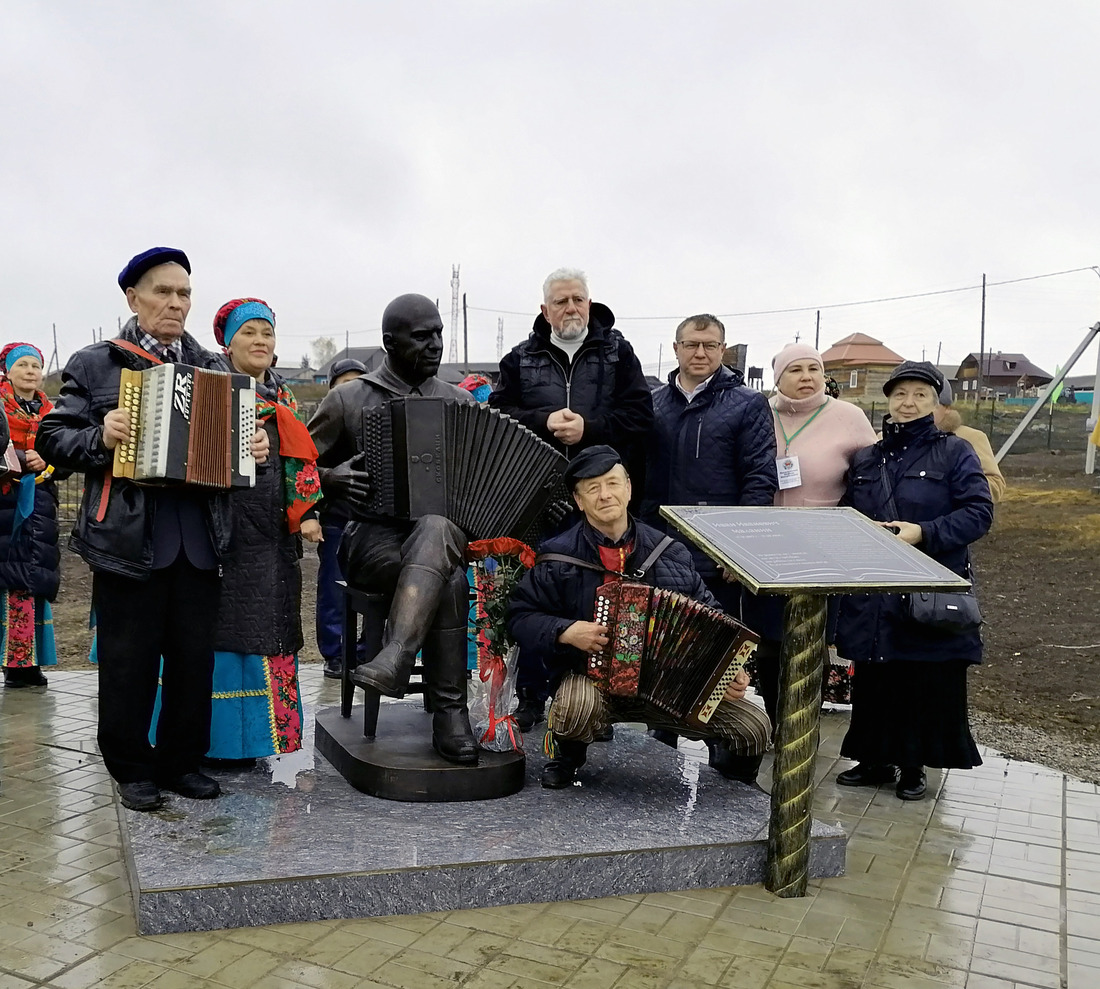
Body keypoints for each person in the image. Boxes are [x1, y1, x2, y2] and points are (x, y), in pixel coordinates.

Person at [36, 247, 269, 812]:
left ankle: (181, 761)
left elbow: (232, 451)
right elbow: (51, 438)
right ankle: (131, 767)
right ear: (133, 298)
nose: (175, 303)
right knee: (129, 662)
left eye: (184, 293)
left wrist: (253, 450)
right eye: (163, 292)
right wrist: (100, 436)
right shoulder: (97, 363)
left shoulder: (214, 368)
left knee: (193, 662)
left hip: (200, 539)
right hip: (128, 539)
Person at [508, 445, 772, 789]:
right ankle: (569, 757)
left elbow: (715, 617)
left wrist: (730, 670)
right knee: (573, 710)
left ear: (628, 488)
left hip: (675, 689)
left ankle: (738, 783)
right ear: (578, 500)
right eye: (593, 488)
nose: (605, 495)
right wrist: (566, 630)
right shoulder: (559, 556)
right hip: (591, 681)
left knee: (754, 726)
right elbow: (519, 616)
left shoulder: (670, 552)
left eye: (612, 483)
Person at [308, 294, 478, 764]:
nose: (435, 345)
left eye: (438, 334)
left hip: (438, 540)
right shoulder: (347, 399)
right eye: (422, 336)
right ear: (389, 342)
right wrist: (328, 478)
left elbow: (477, 478)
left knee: (443, 546)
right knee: (449, 576)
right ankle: (450, 718)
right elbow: (295, 468)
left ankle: (396, 658)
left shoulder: (458, 401)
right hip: (371, 541)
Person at [489, 269, 654, 732]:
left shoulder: (618, 353)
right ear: (545, 310)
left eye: (578, 299)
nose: (571, 309)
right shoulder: (520, 359)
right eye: (561, 302)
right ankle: (532, 695)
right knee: (534, 592)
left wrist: (590, 427)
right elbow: (497, 417)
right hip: (536, 496)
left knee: (602, 593)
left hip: (602, 496)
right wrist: (542, 420)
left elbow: (640, 418)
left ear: (590, 303)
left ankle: (602, 695)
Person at [834, 361, 993, 801]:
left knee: (921, 674)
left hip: (928, 583)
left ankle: (913, 765)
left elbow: (979, 513)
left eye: (920, 394)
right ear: (888, 400)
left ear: (936, 402)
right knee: (875, 673)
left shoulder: (955, 452)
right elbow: (849, 512)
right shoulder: (868, 457)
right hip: (874, 585)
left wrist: (924, 532)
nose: (908, 403)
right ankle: (872, 757)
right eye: (900, 394)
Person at [641, 314, 777, 750]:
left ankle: (726, 751)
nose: (700, 353)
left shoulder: (746, 404)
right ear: (676, 348)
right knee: (664, 651)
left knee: (722, 656)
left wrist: (740, 551)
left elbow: (760, 479)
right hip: (661, 548)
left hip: (718, 555)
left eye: (710, 345)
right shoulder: (655, 403)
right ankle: (659, 746)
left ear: (723, 351)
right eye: (692, 344)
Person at [205, 298, 322, 760]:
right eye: (249, 332)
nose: (260, 341)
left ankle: (270, 738)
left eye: (267, 333)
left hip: (273, 540)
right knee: (225, 631)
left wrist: (308, 512)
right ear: (228, 341)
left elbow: (302, 464)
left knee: (273, 626)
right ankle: (218, 745)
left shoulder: (285, 399)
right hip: (223, 535)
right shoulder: (211, 389)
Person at [748, 343, 878, 725]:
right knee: (771, 640)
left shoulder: (848, 417)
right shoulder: (758, 412)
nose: (806, 377)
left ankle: (803, 722)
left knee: (812, 639)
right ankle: (775, 723)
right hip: (767, 541)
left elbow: (869, 479)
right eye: (795, 370)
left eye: (814, 369)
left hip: (824, 544)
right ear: (778, 378)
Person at [0, 343, 66, 688]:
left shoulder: (52, 413)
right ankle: (14, 663)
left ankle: (28, 662)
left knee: (33, 581)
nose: (30, 371)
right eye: (22, 365)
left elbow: (64, 453)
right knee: (11, 583)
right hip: (5, 505)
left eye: (35, 365)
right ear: (7, 371)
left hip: (39, 504)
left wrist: (47, 462)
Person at [315, 358, 367, 679]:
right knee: (334, 589)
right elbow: (304, 464)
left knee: (373, 592)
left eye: (358, 382)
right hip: (336, 517)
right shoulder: (328, 418)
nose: (351, 389)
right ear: (332, 388)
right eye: (344, 382)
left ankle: (364, 651)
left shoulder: (375, 417)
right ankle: (335, 653)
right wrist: (331, 477)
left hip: (372, 521)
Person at [933, 381, 1006, 504]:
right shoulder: (893, 439)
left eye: (932, 405)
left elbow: (996, 485)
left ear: (947, 408)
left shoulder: (970, 438)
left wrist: (954, 485)